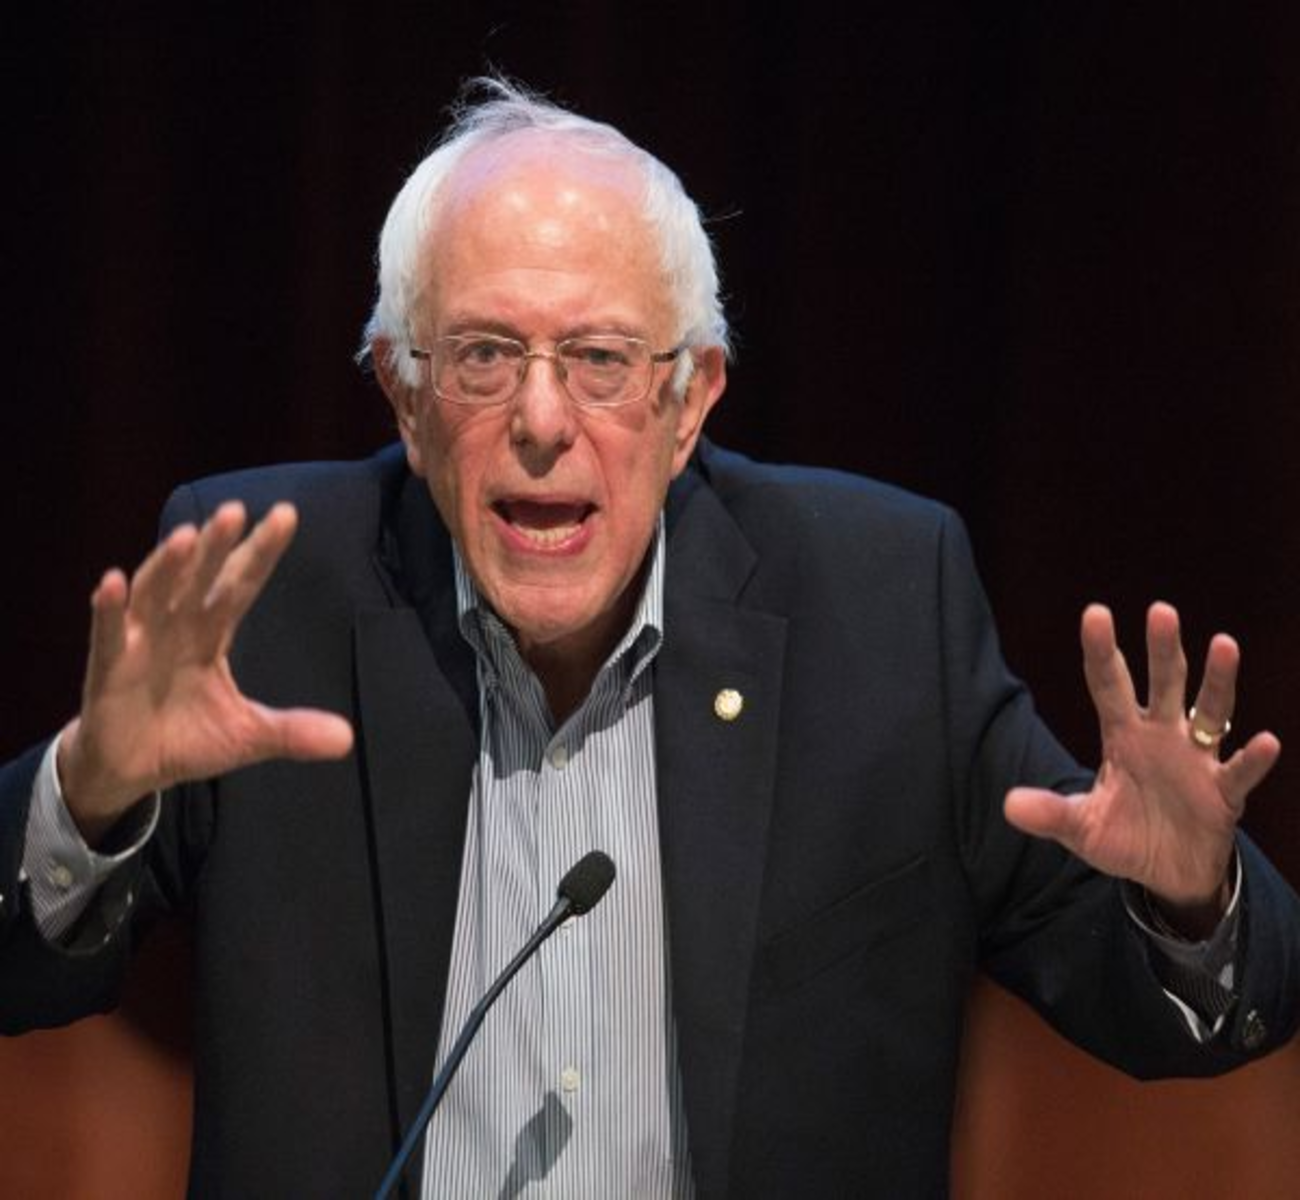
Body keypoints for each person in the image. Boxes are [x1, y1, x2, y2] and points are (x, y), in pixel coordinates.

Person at [1, 78, 1297, 1199]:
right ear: (404, 394)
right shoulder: (267, 597)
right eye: (486, 355)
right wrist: (90, 795)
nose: (544, 420)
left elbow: (1186, 1016)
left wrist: (1190, 896)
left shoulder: (882, 612)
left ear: (692, 400)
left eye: (604, 359)